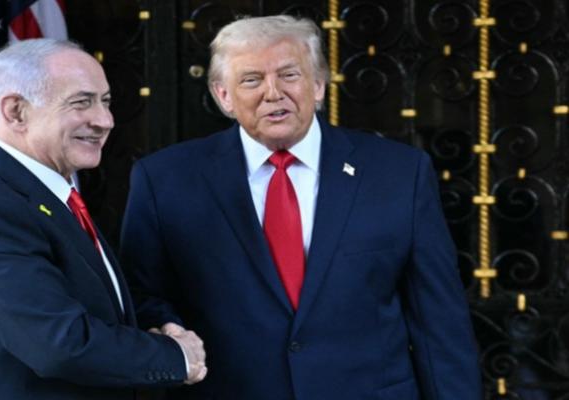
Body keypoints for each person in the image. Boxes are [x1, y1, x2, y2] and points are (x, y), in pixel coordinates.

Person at [120, 15, 482, 399]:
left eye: (289, 75)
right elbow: (140, 297)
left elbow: (438, 320)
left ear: (318, 84)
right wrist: (171, 334)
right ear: (223, 95)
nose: (273, 93)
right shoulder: (165, 180)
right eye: (251, 80)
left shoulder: (398, 173)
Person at [0, 38, 206, 400]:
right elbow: (57, 343)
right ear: (16, 112)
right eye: (81, 102)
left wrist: (157, 326)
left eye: (106, 102)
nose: (105, 121)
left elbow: (92, 305)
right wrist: (176, 356)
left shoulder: (45, 194)